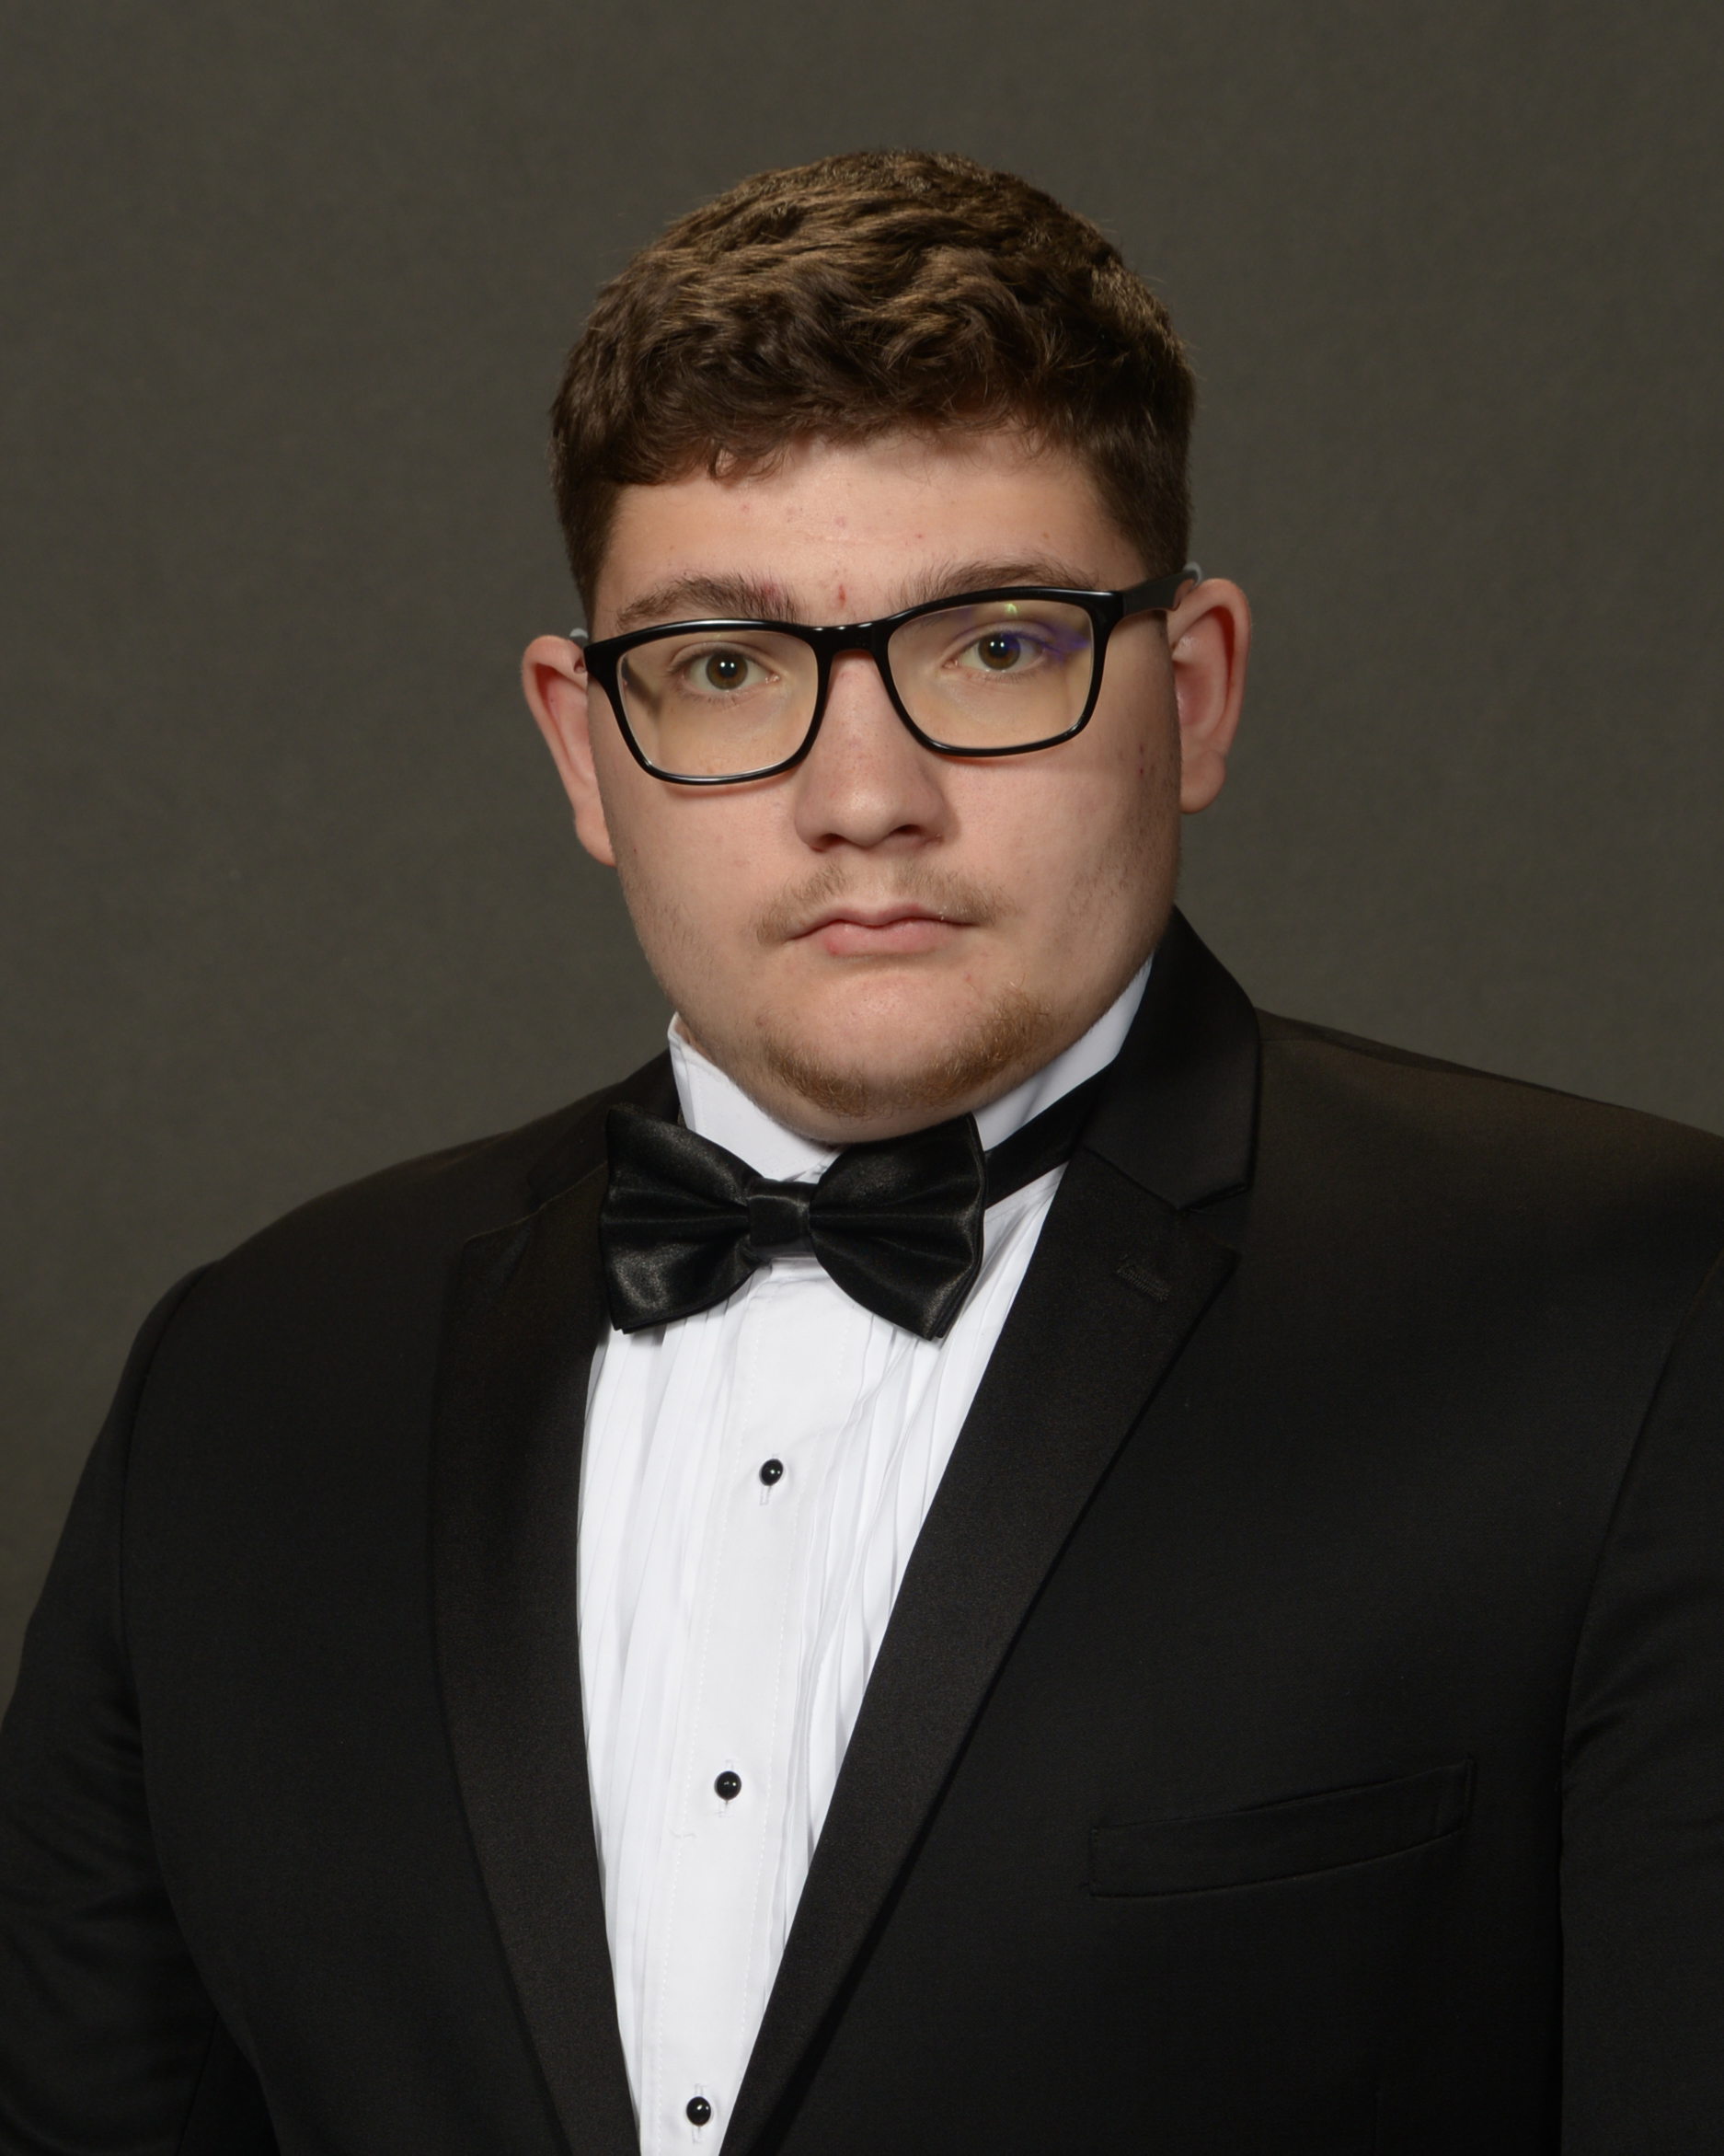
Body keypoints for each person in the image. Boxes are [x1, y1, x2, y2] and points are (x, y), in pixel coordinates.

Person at [2, 148, 1721, 2156]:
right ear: (583, 745)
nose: (862, 795)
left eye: (994, 645)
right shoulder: (246, 1375)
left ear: (1190, 694)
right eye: (724, 667)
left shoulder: (1633, 1321)